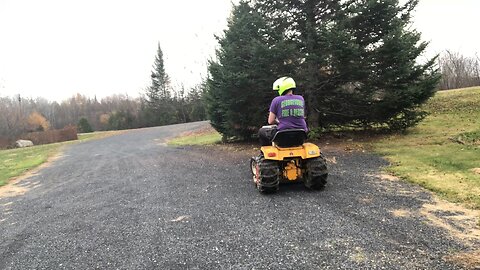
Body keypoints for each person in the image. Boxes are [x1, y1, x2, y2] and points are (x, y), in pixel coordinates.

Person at [258, 77, 308, 146]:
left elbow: (270, 121)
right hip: (300, 136)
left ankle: (264, 153)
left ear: (281, 87)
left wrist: (278, 122)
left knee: (262, 131)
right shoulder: (300, 99)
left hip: (283, 137)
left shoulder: (276, 100)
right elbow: (303, 116)